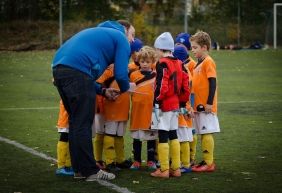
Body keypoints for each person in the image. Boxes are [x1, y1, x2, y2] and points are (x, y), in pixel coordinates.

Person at [52, 20, 135, 181]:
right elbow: (121, 74)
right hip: (77, 71)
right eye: (132, 34)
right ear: (124, 31)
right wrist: (126, 88)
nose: (132, 40)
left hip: (59, 68)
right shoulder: (120, 38)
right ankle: (90, 171)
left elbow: (86, 78)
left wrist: (103, 91)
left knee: (76, 122)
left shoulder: (98, 35)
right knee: (82, 123)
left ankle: (80, 170)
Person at [150, 32, 190, 178]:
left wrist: (156, 100)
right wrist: (182, 102)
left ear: (161, 49)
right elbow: (186, 85)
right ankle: (176, 168)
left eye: (156, 49)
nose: (155, 52)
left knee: (162, 134)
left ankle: (164, 169)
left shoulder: (162, 63)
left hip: (164, 105)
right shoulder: (180, 63)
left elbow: (162, 85)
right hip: (176, 105)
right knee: (173, 134)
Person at [189, 31, 220, 172]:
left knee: (206, 132)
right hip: (197, 105)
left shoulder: (208, 62)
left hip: (205, 106)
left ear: (204, 47)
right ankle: (206, 160)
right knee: (202, 133)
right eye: (192, 47)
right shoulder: (198, 64)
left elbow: (213, 83)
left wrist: (209, 103)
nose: (192, 50)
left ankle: (209, 163)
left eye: (195, 47)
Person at [96, 64, 132, 171]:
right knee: (109, 134)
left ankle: (120, 160)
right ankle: (110, 161)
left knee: (119, 135)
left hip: (124, 107)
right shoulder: (108, 70)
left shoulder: (127, 68)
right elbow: (98, 84)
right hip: (111, 108)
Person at [129, 46, 158, 171]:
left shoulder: (156, 75)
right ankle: (136, 160)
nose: (145, 64)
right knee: (137, 136)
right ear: (139, 61)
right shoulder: (133, 75)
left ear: (152, 62)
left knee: (151, 136)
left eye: (148, 62)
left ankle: (151, 160)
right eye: (142, 61)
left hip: (150, 111)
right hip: (137, 110)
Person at [175, 33, 198, 166]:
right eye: (177, 44)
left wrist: (190, 106)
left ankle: (190, 157)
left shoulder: (191, 66)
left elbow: (191, 87)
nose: (179, 46)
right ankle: (182, 159)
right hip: (183, 103)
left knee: (188, 130)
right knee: (182, 132)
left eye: (182, 45)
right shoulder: (179, 66)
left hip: (187, 103)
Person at [173, 45, 194, 173]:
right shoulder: (186, 70)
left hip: (182, 107)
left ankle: (185, 164)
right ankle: (184, 162)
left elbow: (183, 91)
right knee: (184, 135)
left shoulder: (182, 71)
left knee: (182, 136)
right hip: (185, 106)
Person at [55, 100, 74, 176]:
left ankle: (68, 165)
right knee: (64, 137)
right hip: (67, 116)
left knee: (69, 138)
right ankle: (61, 167)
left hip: (71, 115)